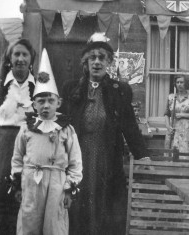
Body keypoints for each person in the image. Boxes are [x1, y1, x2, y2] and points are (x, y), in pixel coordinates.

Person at [60, 32, 147, 235]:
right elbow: (61, 123)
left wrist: (143, 154)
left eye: (102, 58)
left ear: (109, 62)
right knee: (78, 203)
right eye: (93, 57)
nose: (97, 62)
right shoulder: (72, 88)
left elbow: (130, 126)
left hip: (107, 158)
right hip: (78, 157)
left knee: (106, 205)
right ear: (86, 61)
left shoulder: (120, 90)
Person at [11, 49, 83, 235]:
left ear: (58, 103)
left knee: (55, 226)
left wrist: (69, 189)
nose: (45, 105)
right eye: (41, 101)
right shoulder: (27, 128)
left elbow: (75, 163)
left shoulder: (66, 129)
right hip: (31, 182)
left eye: (50, 100)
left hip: (56, 184)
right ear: (34, 104)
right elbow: (18, 158)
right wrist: (18, 183)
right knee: (29, 223)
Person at [0, 38, 36, 235]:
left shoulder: (38, 88)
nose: (20, 58)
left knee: (23, 199)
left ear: (30, 59)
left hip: (28, 148)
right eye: (16, 54)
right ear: (9, 59)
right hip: (1, 146)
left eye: (24, 54)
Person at [164, 75, 189, 152]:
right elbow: (166, 113)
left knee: (185, 153)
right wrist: (168, 126)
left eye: (181, 82)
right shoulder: (171, 98)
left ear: (186, 84)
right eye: (177, 82)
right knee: (172, 152)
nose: (179, 84)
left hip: (187, 130)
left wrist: (183, 115)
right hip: (173, 129)